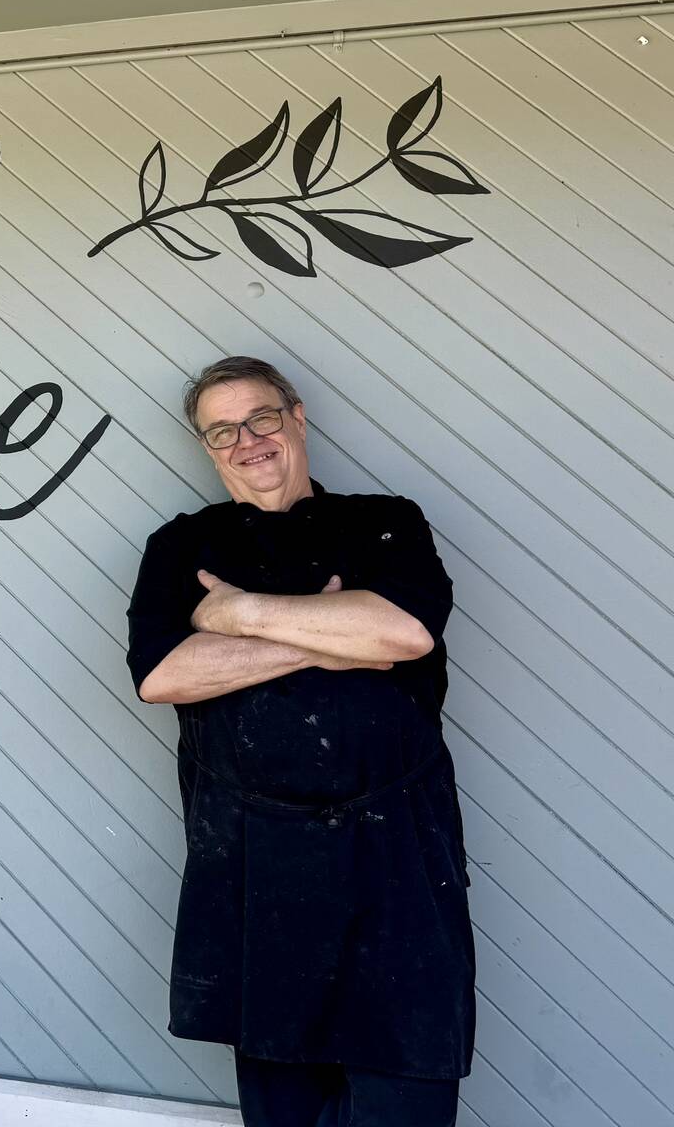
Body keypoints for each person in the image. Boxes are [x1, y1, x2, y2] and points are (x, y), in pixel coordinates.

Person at [127, 356, 475, 1127]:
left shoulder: (386, 522)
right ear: (207, 448)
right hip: (255, 861)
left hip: (399, 859)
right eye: (223, 430)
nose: (246, 440)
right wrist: (330, 638)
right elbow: (162, 677)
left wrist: (238, 613)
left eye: (260, 417)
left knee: (407, 1098)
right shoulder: (181, 547)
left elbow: (402, 632)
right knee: (283, 1106)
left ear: (297, 417)